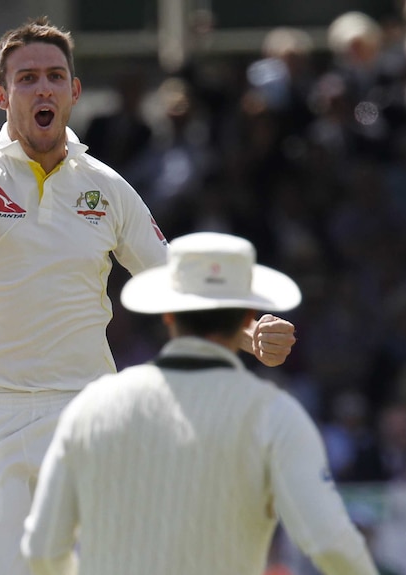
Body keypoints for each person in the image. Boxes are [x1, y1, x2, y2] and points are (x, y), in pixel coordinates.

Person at [0, 17, 297, 575]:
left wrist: (249, 331)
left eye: (55, 77)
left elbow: (173, 279)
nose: (43, 88)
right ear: (0, 95)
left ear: (74, 91)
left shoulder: (106, 188)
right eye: (27, 78)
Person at [21, 231, 379, 575]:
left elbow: (43, 550)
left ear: (168, 314)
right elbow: (331, 543)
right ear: (245, 317)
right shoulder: (275, 416)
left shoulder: (92, 409)